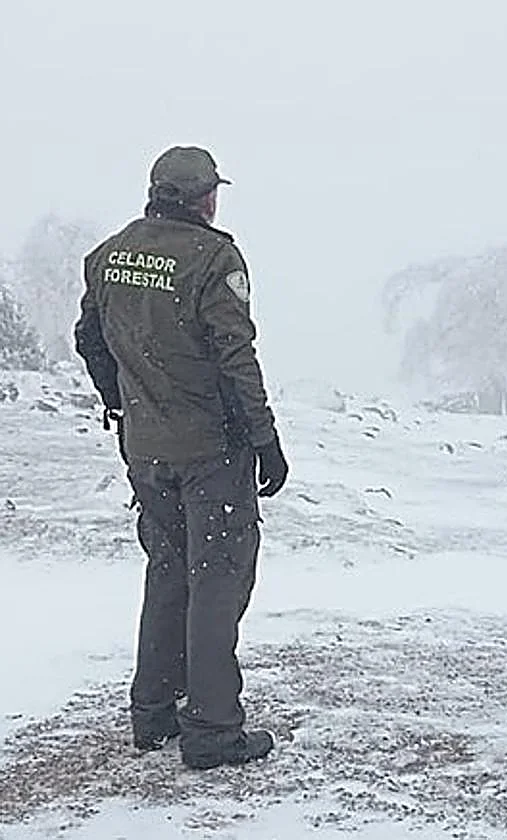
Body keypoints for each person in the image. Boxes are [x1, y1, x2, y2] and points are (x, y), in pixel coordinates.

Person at [73, 146, 289, 770]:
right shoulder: (213, 258)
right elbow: (234, 356)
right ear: (204, 197)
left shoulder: (109, 254)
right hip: (211, 452)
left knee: (168, 570)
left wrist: (122, 399)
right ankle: (214, 731)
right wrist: (265, 437)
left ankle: (153, 714)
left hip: (146, 450)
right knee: (217, 580)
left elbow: (89, 338)